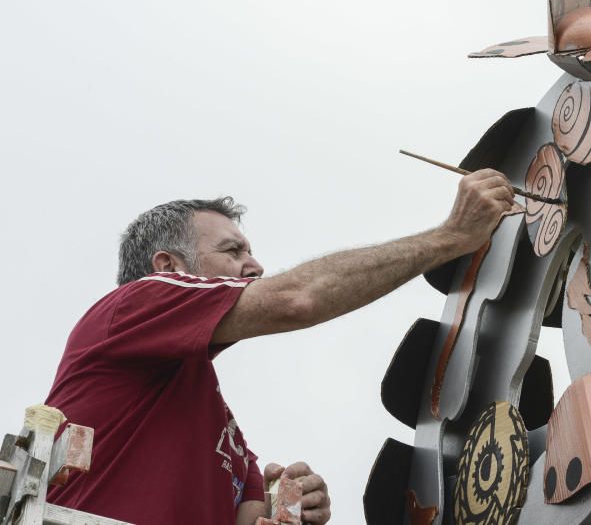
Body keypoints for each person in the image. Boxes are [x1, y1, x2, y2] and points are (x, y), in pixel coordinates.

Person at [45, 169, 515, 524]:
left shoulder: (215, 425)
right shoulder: (134, 305)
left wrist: (290, 506)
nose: (255, 267)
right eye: (233, 252)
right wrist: (451, 236)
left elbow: (249, 517)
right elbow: (297, 299)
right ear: (169, 267)